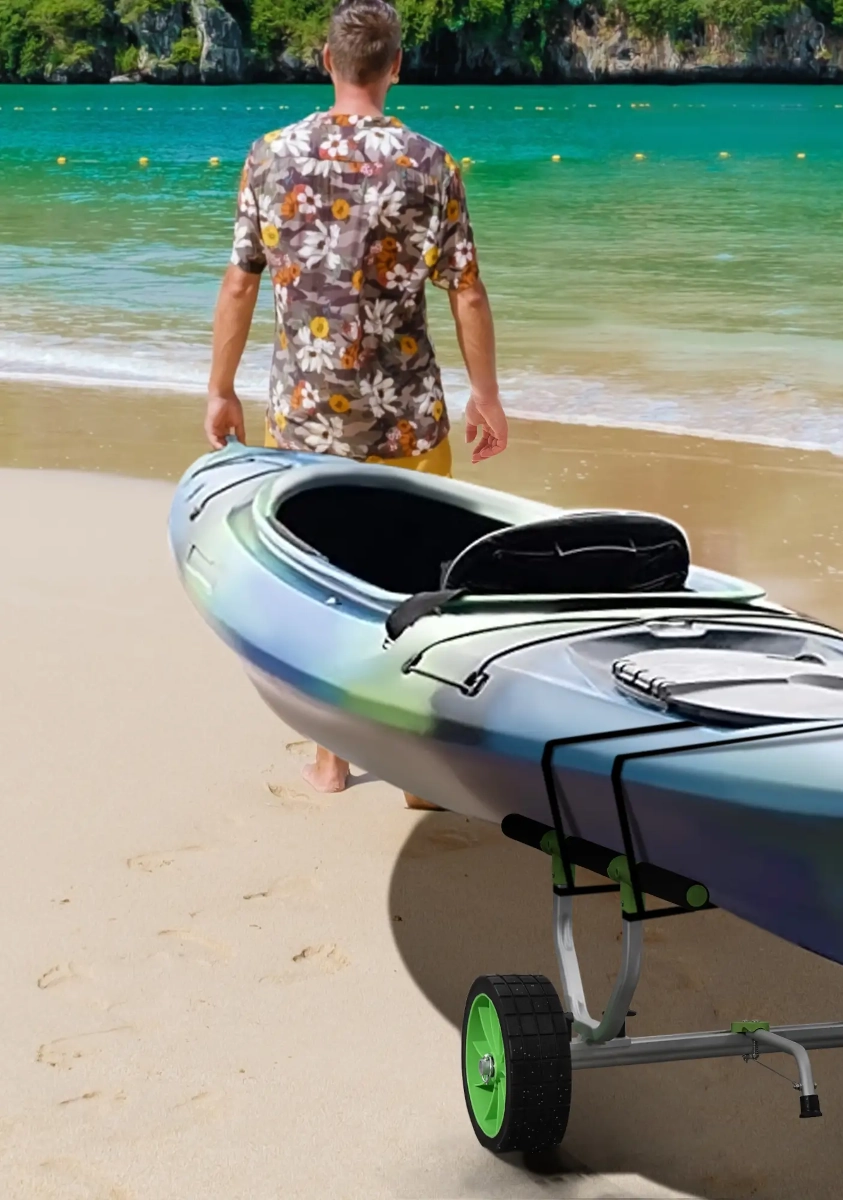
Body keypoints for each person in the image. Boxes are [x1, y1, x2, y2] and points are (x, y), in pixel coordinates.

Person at [203, 0, 508, 800]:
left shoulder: (270, 156)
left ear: (325, 61)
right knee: (418, 588)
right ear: (396, 66)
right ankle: (416, 772)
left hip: (305, 418)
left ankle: (331, 757)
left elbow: (241, 281)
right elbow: (466, 292)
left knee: (322, 584)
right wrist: (487, 397)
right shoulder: (429, 161)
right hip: (407, 416)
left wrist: (219, 388)